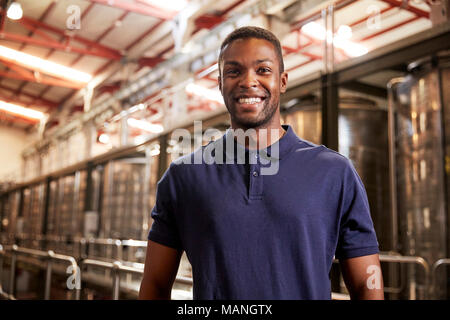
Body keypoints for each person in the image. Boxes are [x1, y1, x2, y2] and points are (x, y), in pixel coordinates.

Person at [139, 26, 384, 300]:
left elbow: (367, 284)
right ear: (220, 84)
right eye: (233, 71)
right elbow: (155, 285)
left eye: (263, 70)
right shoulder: (183, 177)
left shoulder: (335, 172)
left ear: (282, 81)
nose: (248, 81)